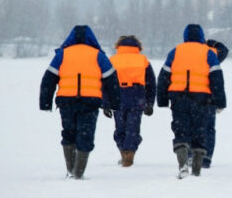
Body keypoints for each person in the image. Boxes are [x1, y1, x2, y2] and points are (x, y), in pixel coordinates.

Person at [39, 25, 120, 179]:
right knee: (86, 135)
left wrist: (45, 102)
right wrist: (114, 103)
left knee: (68, 133)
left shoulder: (62, 55)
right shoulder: (98, 56)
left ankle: (70, 170)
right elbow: (112, 81)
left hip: (66, 101)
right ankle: (78, 173)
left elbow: (48, 80)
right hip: (90, 102)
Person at [157, 24, 226, 178]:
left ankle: (182, 165)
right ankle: (197, 169)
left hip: (178, 98)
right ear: (202, 36)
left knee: (180, 131)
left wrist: (162, 99)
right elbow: (217, 79)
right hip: (201, 99)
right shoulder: (208, 53)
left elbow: (163, 77)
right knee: (199, 132)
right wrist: (220, 101)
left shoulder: (175, 52)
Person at [104, 35, 156, 167]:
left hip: (118, 95)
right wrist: (150, 103)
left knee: (120, 127)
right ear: (137, 46)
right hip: (137, 95)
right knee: (133, 128)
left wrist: (105, 103)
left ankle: (123, 152)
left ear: (119, 46)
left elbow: (105, 83)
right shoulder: (143, 60)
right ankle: (130, 154)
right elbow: (151, 83)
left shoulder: (112, 60)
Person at [200, 38, 228, 168]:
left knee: (190, 127)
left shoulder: (185, 53)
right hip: (209, 96)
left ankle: (190, 155)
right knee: (209, 129)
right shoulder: (211, 54)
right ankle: (206, 157)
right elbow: (224, 50)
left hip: (188, 95)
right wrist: (214, 44)